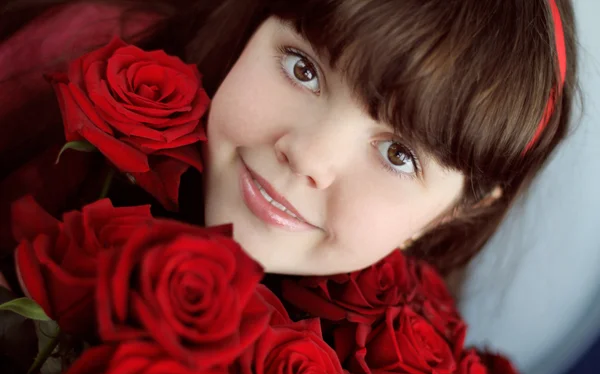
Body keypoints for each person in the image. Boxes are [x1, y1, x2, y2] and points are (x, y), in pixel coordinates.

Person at [0, 0, 578, 279]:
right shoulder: (69, 63)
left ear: (453, 213)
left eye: (399, 155)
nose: (307, 155)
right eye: (303, 69)